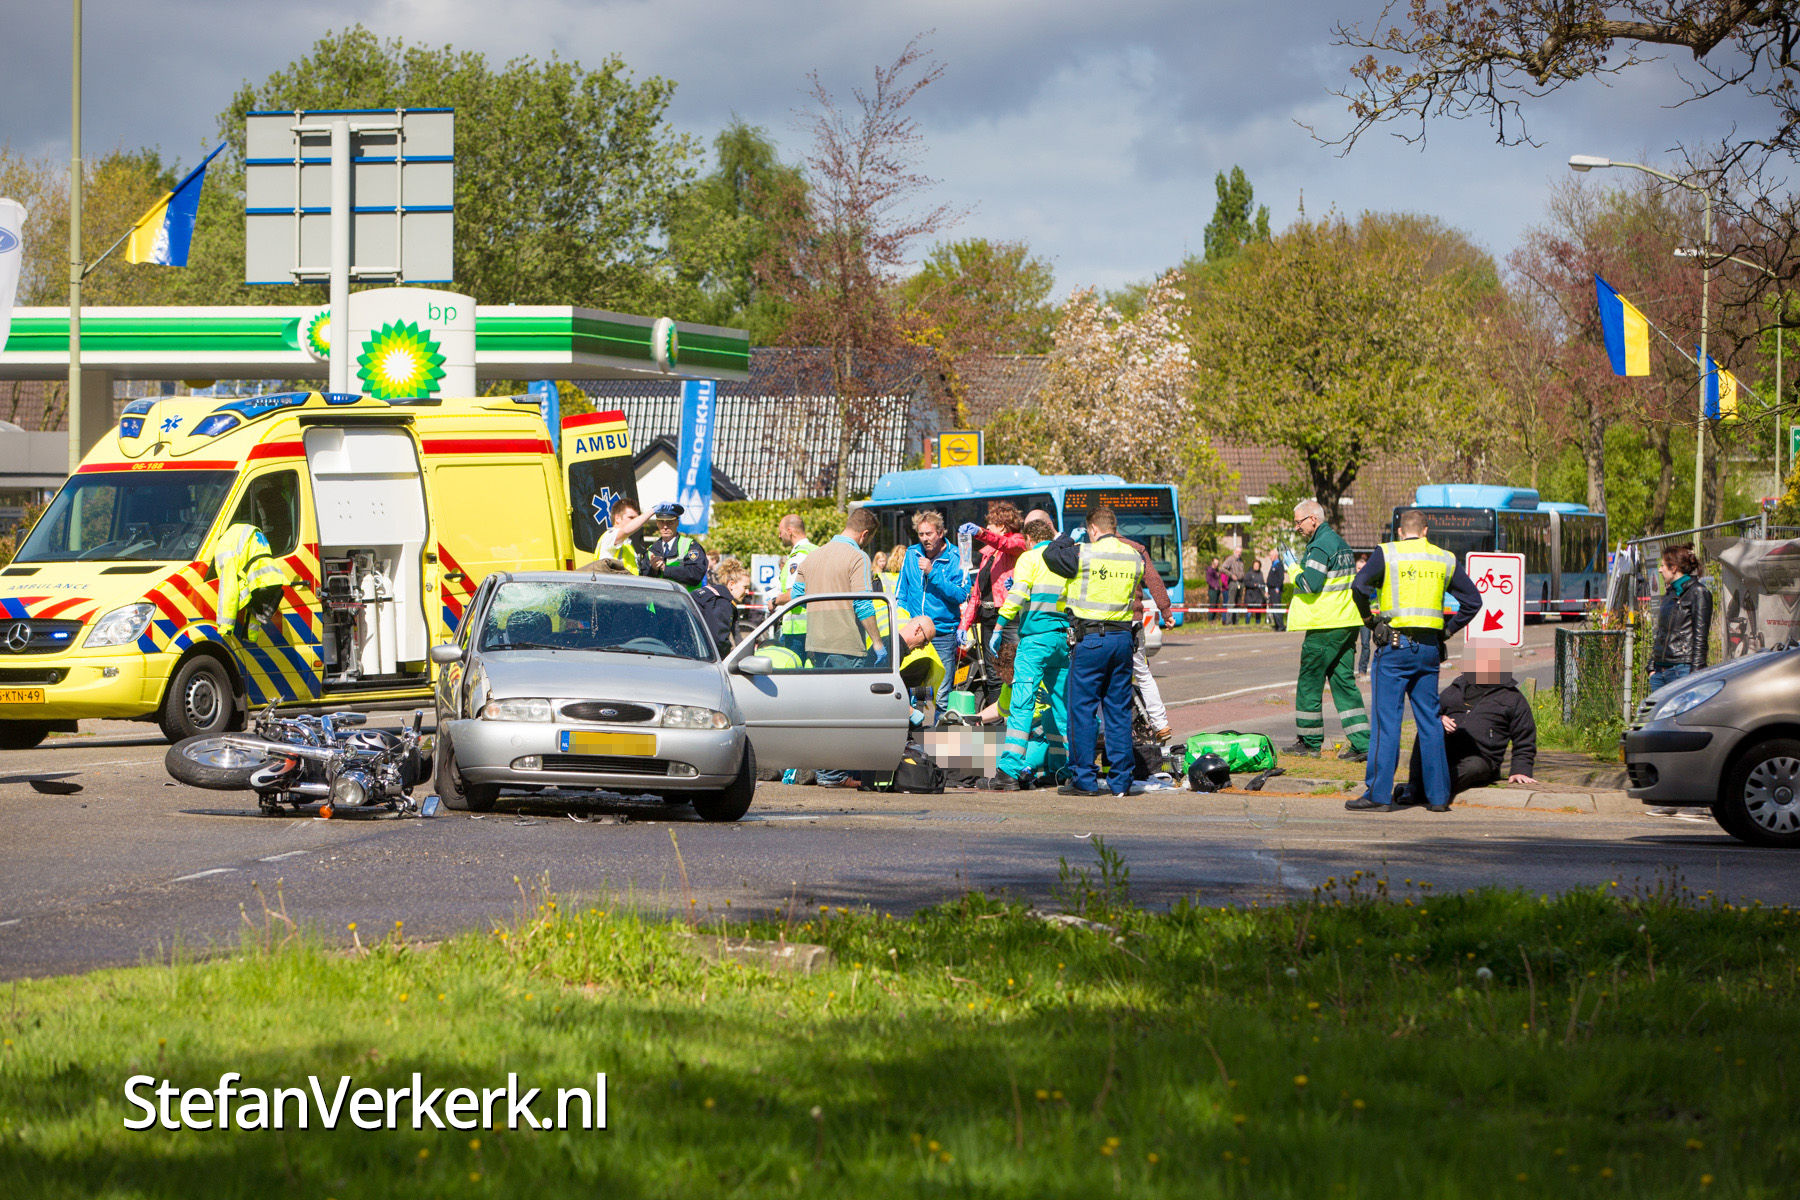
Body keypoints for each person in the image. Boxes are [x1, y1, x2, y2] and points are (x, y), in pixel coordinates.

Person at [1346, 507, 1483, 813]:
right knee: (1430, 721)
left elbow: (1358, 586)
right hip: (1429, 650)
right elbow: (1473, 601)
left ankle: (1378, 794)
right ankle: (1438, 797)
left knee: (1387, 722)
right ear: (1425, 531)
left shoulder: (1388, 553)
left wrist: (1370, 620)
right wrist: (1447, 630)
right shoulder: (1444, 558)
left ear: (1399, 531)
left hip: (1395, 648)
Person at [1043, 505, 1144, 798]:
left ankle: (1084, 780)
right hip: (1122, 640)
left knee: (1083, 711)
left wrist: (1064, 537)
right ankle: (1121, 781)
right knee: (1119, 711)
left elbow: (1051, 555)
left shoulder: (1083, 554)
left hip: (1090, 641)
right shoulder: (1134, 557)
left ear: (1093, 530)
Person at [793, 509, 888, 789]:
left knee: (825, 710)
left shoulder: (813, 556)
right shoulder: (857, 557)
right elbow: (863, 603)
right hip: (846, 645)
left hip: (816, 643)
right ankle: (834, 774)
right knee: (845, 711)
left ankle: (826, 770)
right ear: (865, 534)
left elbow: (797, 597)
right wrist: (878, 643)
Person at [1392, 644, 1539, 805]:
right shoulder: (1456, 688)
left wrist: (1521, 770)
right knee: (1427, 730)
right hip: (1445, 750)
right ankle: (1415, 786)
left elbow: (1524, 738)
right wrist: (1438, 720)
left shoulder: (1512, 698)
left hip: (1482, 758)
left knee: (1474, 767)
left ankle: (1420, 792)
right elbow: (1430, 713)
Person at [1285, 500, 1371, 762]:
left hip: (1325, 624)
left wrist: (1293, 568)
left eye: (1299, 522)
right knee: (1343, 683)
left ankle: (1309, 742)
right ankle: (1362, 743)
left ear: (1313, 519)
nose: (1297, 527)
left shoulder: (1320, 546)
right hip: (1347, 622)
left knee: (1310, 680)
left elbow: (1310, 584)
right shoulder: (1340, 543)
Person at [987, 516, 1069, 791]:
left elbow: (1017, 595)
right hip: (1062, 638)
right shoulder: (1064, 559)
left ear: (1029, 540)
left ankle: (1009, 770)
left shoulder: (1029, 558)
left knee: (1022, 702)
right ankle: (1067, 768)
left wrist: (999, 626)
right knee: (1062, 704)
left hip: (1034, 640)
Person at [894, 509, 970, 714]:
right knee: (919, 694)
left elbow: (962, 594)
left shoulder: (957, 556)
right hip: (915, 634)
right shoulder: (912, 554)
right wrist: (904, 624)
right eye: (921, 534)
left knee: (941, 695)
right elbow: (901, 593)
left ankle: (939, 732)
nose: (925, 539)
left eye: (929, 534)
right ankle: (921, 730)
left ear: (941, 533)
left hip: (942, 633)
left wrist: (932, 573)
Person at [957, 501, 1027, 707]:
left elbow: (1004, 544)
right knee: (993, 675)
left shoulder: (1017, 542)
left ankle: (1018, 716)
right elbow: (977, 593)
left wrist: (980, 532)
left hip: (1009, 618)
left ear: (1002, 527)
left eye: (991, 525)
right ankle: (997, 721)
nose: (987, 527)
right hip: (988, 618)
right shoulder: (988, 553)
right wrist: (964, 625)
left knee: (1015, 671)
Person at [1116, 530, 1173, 742]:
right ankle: (1161, 724)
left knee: (1103, 675)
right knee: (1142, 672)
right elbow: (1154, 579)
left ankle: (1104, 730)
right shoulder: (1136, 548)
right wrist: (1165, 611)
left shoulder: (1093, 550)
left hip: (1107, 623)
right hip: (1133, 620)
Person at [1649, 544, 1712, 692]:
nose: (1660, 570)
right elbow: (1661, 632)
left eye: (1663, 566)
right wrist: (1651, 667)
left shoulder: (1698, 592)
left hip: (1681, 669)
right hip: (1659, 671)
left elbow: (1700, 638)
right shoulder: (1670, 594)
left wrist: (1696, 673)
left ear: (1674, 568)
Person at [773, 514, 819, 656]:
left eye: (781, 531)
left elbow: (794, 593)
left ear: (790, 531)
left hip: (798, 631)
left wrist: (774, 601)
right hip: (817, 626)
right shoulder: (816, 550)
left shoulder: (798, 556)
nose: (779, 536)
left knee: (794, 667)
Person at [641, 503, 707, 590]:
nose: (665, 526)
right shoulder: (651, 550)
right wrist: (653, 570)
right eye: (661, 522)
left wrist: (666, 569)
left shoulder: (691, 546)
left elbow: (696, 574)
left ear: (677, 523)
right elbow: (643, 581)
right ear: (657, 523)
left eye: (670, 522)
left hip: (684, 598)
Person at [694, 560, 752, 655]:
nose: (747, 592)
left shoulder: (715, 594)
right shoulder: (721, 603)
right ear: (731, 584)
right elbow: (718, 641)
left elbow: (736, 633)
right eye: (745, 587)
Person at [592, 497, 650, 573]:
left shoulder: (627, 544)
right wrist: (652, 511)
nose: (635, 521)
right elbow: (625, 531)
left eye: (636, 518)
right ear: (617, 518)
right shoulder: (609, 535)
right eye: (631, 517)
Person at [1353, 553, 1373, 677]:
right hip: (1353, 617)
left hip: (1365, 617)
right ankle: (1348, 670)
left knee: (1366, 644)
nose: (1360, 570)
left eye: (1363, 568)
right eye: (1359, 568)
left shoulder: (1370, 582)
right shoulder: (1351, 582)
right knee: (1351, 644)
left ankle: (1362, 670)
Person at [1221, 547, 1245, 626]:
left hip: (1240, 583)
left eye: (1240, 552)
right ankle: (1229, 621)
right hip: (1233, 582)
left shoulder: (1241, 560)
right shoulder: (1230, 559)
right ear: (1234, 551)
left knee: (1238, 602)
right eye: (1238, 552)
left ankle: (1236, 621)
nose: (1239, 554)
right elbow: (1222, 568)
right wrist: (1231, 575)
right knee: (1231, 602)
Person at [1265, 553, 1287, 632]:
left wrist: (1277, 587)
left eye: (1271, 555)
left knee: (1276, 607)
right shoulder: (1273, 564)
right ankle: (1277, 624)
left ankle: (1280, 625)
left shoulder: (1279, 565)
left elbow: (1281, 577)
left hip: (1275, 590)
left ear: (1276, 556)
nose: (1270, 557)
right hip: (1271, 590)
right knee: (1273, 608)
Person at [1244, 557, 1267, 625]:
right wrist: (1253, 585)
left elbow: (1262, 583)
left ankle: (1258, 623)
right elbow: (1246, 583)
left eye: (1257, 565)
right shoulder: (1249, 573)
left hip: (1258, 596)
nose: (1256, 567)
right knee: (1249, 611)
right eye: (1255, 565)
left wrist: (1264, 591)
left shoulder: (1260, 574)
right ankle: (1247, 623)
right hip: (1250, 595)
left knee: (1258, 611)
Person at [1206, 556, 1223, 622]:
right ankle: (1210, 620)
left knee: (1216, 605)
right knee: (1212, 605)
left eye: (1217, 563)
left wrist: (1219, 587)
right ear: (1212, 563)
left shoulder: (1217, 570)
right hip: (1212, 590)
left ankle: (1214, 620)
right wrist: (1214, 586)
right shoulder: (1210, 570)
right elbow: (1208, 580)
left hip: (1217, 590)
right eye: (1215, 563)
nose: (1217, 564)